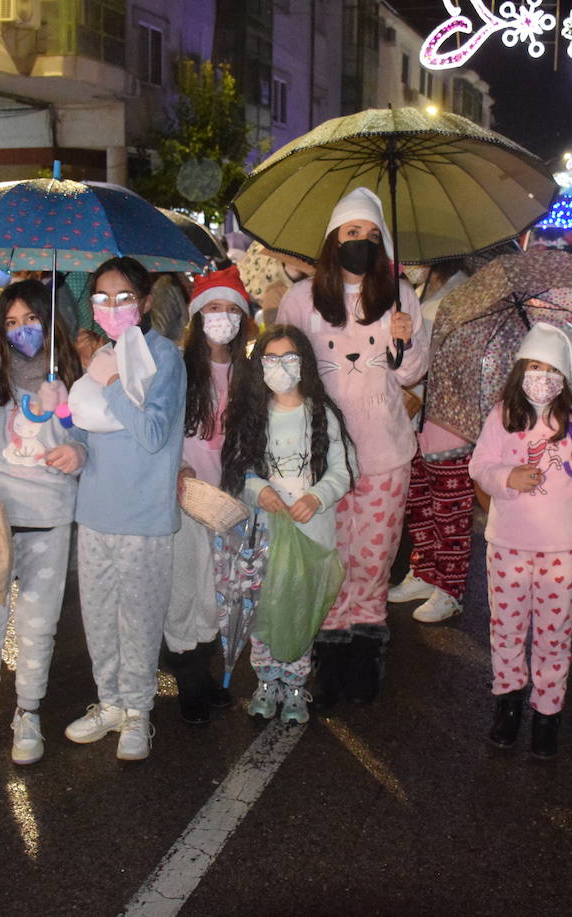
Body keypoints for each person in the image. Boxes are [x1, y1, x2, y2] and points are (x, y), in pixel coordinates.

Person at [275, 187, 428, 708]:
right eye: (350, 233)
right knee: (330, 557)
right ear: (332, 240)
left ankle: (367, 652)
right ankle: (330, 654)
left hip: (385, 453)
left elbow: (412, 373)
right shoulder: (300, 300)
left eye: (369, 234)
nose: (359, 242)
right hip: (322, 458)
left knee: (373, 559)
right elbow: (281, 374)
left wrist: (405, 338)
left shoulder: (401, 295)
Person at [0, 280, 85, 764]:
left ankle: (28, 712)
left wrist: (68, 425)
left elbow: (84, 441)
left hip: (47, 519)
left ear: (50, 323)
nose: (22, 330)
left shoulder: (69, 374)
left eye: (31, 319)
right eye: (11, 322)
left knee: (37, 625)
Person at [469, 322, 572, 758]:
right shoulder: (502, 415)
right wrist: (507, 477)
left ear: (565, 376)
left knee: (554, 634)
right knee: (507, 629)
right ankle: (508, 704)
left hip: (563, 547)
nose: (542, 376)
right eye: (534, 366)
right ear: (520, 370)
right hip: (509, 543)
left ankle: (548, 712)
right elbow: (480, 465)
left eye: (552, 369)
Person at [63, 256, 186, 762]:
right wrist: (72, 443)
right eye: (102, 298)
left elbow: (154, 433)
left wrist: (113, 383)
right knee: (98, 618)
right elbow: (85, 428)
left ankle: (138, 711)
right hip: (94, 512)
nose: (112, 308)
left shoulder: (165, 359)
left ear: (146, 301)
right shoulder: (102, 356)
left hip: (144, 517)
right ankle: (110, 702)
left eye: (123, 297)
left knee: (139, 618)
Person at [220, 326, 355, 725]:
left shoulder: (321, 413)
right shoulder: (253, 416)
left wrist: (317, 496)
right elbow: (239, 469)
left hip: (312, 537)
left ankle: (295, 684)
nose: (281, 367)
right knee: (264, 609)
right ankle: (265, 681)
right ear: (259, 366)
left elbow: (342, 471)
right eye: (271, 359)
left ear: (305, 364)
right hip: (264, 537)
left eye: (289, 358)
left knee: (300, 610)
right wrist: (259, 490)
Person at [166, 267, 254, 724]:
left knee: (220, 591)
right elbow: (164, 432)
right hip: (186, 496)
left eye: (231, 310)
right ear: (198, 316)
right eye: (213, 309)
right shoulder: (179, 369)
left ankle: (206, 668)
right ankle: (188, 679)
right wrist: (176, 468)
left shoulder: (248, 371)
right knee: (187, 587)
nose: (222, 318)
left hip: (227, 498)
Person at [389, 257, 475, 624]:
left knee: (450, 512)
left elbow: (460, 365)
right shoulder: (423, 292)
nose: (413, 264)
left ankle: (450, 588)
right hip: (417, 424)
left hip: (450, 424)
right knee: (420, 504)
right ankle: (424, 572)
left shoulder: (465, 297)